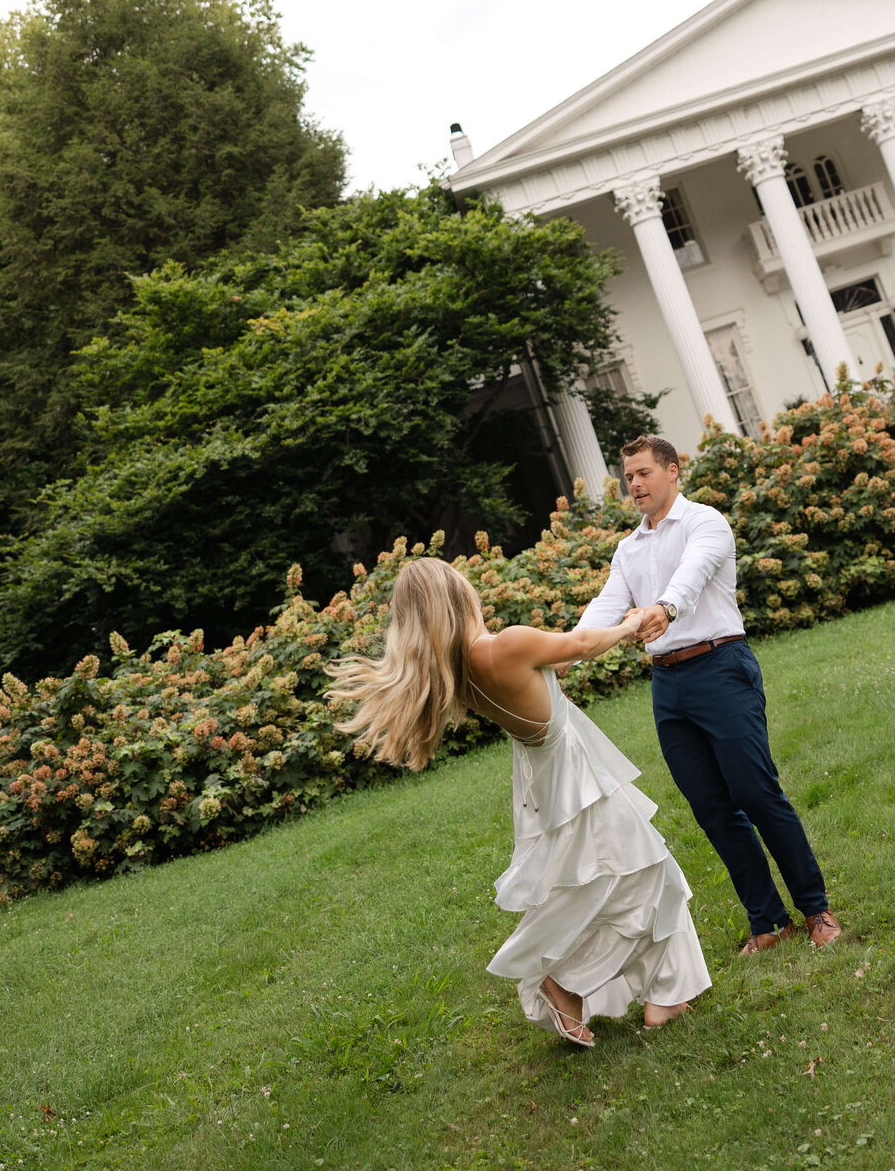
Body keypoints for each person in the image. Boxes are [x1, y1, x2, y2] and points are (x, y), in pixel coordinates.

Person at [328, 555, 711, 1047]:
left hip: (553, 781)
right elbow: (584, 644)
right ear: (457, 596)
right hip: (577, 785)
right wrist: (631, 623)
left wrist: (558, 665)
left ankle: (664, 997)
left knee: (630, 881)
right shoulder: (504, 644)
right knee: (650, 876)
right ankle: (568, 983)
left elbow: (552, 664)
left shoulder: (462, 669)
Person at [578, 435, 842, 954]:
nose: (634, 484)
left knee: (755, 792)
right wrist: (565, 650)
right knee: (712, 808)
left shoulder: (705, 522)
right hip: (668, 686)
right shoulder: (628, 549)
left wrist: (664, 609)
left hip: (721, 668)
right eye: (628, 476)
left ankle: (816, 910)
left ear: (673, 471)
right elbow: (606, 606)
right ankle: (768, 922)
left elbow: (691, 575)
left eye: (644, 473)